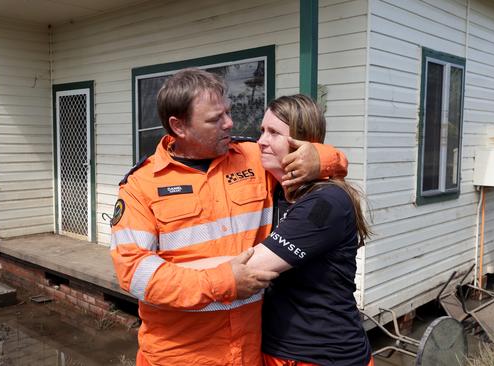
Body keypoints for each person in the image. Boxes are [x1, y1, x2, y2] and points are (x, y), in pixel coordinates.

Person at [109, 69, 348, 366]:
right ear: (178, 126)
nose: (229, 123)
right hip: (181, 355)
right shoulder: (140, 186)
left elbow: (309, 157)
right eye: (214, 119)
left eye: (228, 112)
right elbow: (135, 273)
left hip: (249, 350)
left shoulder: (251, 156)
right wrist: (224, 280)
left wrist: (323, 158)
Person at [249, 94, 373, 366]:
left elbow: (253, 266)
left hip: (322, 354)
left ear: (302, 143)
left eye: (273, 132)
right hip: (278, 347)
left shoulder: (325, 203)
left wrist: (173, 272)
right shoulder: (278, 191)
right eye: (261, 131)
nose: (260, 141)